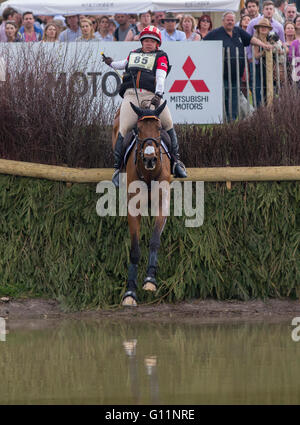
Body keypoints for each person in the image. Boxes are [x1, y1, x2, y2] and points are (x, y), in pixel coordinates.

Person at [102, 25, 187, 186]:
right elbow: (123, 64)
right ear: (142, 41)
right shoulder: (134, 54)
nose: (148, 43)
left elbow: (161, 76)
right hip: (131, 96)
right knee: (124, 128)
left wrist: (158, 95)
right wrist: (111, 63)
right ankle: (118, 169)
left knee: (168, 123)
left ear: (157, 43)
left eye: (152, 41)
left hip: (152, 96)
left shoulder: (161, 56)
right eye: (146, 40)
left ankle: (176, 163)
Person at [204, 11, 273, 120]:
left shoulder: (238, 31)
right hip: (222, 75)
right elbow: (203, 43)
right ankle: (224, 121)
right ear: (223, 21)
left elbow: (251, 39)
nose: (230, 22)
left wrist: (263, 45)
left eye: (232, 20)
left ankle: (232, 121)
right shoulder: (216, 33)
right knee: (224, 98)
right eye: (228, 20)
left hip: (237, 75)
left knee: (234, 99)